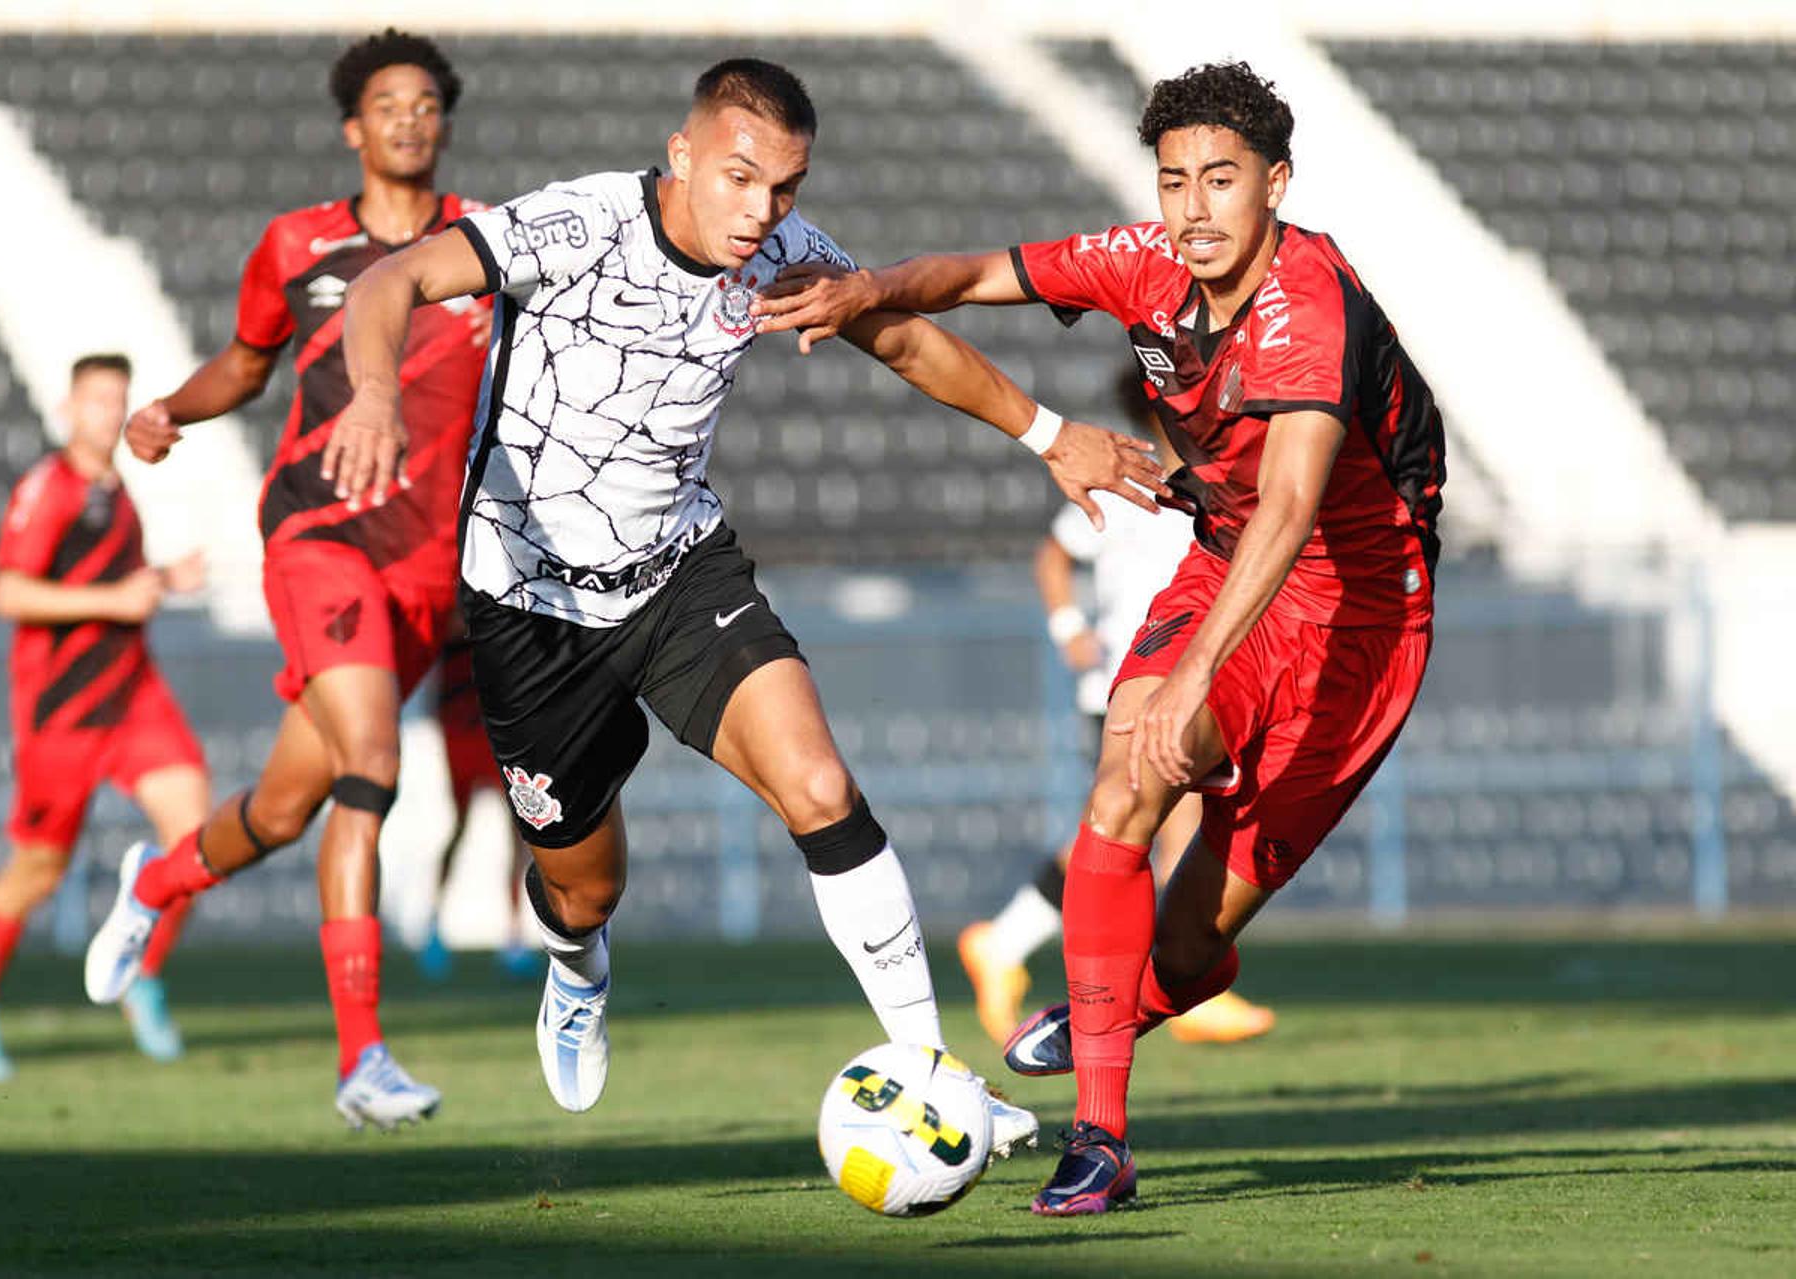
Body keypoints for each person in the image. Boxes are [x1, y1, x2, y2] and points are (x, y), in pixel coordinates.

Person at [316, 57, 1167, 1148]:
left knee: (819, 782)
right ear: (682, 157)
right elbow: (390, 284)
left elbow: (900, 335)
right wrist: (377, 395)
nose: (761, 210)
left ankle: (936, 1071)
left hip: (680, 578)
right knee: (582, 890)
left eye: (786, 187)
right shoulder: (574, 226)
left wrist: (1050, 435)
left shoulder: (780, 254)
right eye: (739, 177)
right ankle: (577, 969)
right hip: (530, 611)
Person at [752, 60, 1444, 1215]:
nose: (1193, 207)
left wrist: (1196, 682)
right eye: (1174, 180)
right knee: (1123, 781)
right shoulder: (1144, 261)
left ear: (1275, 183)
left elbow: (1290, 507)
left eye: (1221, 180)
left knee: (1178, 956)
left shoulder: (1308, 309)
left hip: (1360, 621)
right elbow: (974, 275)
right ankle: (1103, 1141)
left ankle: (1123, 997)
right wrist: (866, 287)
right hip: (1226, 565)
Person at [83, 28, 492, 1130]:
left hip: (428, 568)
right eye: (387, 104)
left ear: (443, 123)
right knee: (372, 762)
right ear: (354, 128)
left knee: (281, 807)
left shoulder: (485, 248)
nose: (409, 119)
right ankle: (363, 1058)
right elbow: (248, 362)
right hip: (320, 537)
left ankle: (158, 882)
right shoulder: (296, 244)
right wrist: (174, 404)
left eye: (426, 103)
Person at [959, 364, 1274, 1049]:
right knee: (1154, 818)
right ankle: (1179, 988)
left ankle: (1003, 942)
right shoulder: (1130, 474)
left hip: (1184, 676)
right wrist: (1070, 628)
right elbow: (1054, 554)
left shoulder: (1213, 479)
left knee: (1127, 822)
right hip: (1133, 677)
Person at [0, 353, 208, 1082]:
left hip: (132, 693)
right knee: (38, 869)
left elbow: (114, 583)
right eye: (95, 400)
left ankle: (141, 971)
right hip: (64, 710)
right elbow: (9, 593)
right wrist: (117, 600)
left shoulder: (116, 489)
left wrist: (160, 581)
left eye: (118, 400)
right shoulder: (48, 488)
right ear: (67, 407)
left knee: (196, 839)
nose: (106, 413)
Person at [412, 630, 541, 982]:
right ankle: (434, 929)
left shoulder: (495, 616)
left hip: (495, 731)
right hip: (461, 733)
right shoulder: (452, 624)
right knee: (460, 828)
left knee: (516, 831)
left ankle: (514, 937)